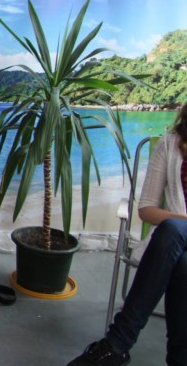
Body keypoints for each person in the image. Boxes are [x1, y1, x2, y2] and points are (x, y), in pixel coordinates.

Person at [69, 104, 187, 366]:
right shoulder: (169, 145)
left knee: (174, 234)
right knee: (179, 253)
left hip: (171, 240)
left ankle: (117, 343)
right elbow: (147, 209)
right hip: (173, 244)